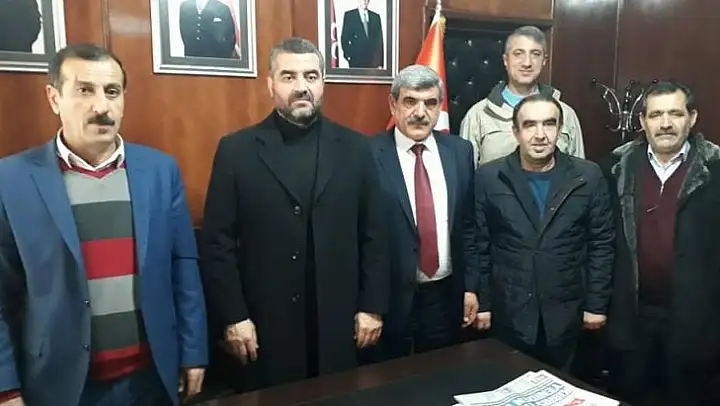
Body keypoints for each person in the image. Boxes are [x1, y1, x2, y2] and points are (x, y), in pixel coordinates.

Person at [0, 44, 207, 406]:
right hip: (60, 386)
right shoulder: (11, 179)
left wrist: (193, 352)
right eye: (84, 90)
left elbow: (183, 268)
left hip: (150, 380)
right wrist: (7, 388)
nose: (101, 107)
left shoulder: (159, 172)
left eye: (112, 92)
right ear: (54, 98)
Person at [200, 37, 388, 391]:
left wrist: (372, 307)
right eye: (289, 77)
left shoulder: (357, 148)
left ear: (323, 83)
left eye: (311, 76)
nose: (302, 86)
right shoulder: (236, 151)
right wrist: (234, 317)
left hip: (340, 324)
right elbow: (217, 244)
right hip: (266, 327)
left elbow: (375, 235)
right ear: (270, 84)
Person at [474, 93, 614, 372]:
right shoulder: (489, 177)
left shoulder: (588, 176)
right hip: (509, 311)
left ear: (560, 129)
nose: (540, 135)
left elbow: (602, 243)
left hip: (567, 313)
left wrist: (596, 305)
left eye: (549, 124)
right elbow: (479, 244)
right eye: (529, 125)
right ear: (516, 132)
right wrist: (483, 304)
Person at [603, 81, 720, 405]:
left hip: (697, 321)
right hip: (633, 318)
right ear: (643, 121)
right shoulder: (615, 169)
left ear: (692, 118)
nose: (665, 123)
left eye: (675, 114)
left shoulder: (715, 171)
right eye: (655, 115)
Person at [369, 65, 478, 361]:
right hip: (390, 299)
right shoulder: (367, 154)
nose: (420, 113)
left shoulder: (460, 152)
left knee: (440, 375)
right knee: (388, 379)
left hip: (444, 296)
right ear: (393, 104)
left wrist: (471, 287)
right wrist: (368, 305)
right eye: (410, 102)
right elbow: (359, 236)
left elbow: (468, 226)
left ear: (439, 107)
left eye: (430, 103)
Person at [459, 26, 585, 166]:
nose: (527, 63)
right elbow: (465, 173)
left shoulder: (566, 114)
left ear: (544, 60)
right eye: (518, 54)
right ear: (506, 60)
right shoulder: (478, 115)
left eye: (535, 54)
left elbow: (579, 173)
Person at [340, 0, 384, 69]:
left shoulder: (375, 17)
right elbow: (344, 39)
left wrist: (380, 62)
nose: (364, 1)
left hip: (372, 62)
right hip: (356, 61)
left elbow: (379, 42)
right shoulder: (349, 16)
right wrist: (349, 56)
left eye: (366, 0)